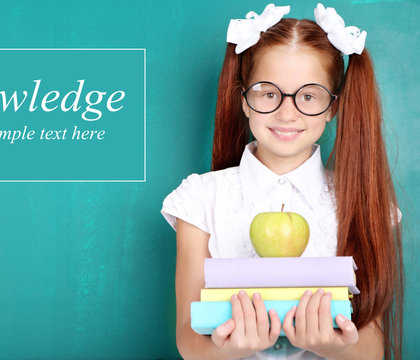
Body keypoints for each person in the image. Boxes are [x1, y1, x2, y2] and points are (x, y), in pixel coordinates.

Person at [160, 3, 403, 360]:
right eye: (268, 93)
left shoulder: (366, 203)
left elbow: (372, 348)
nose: (287, 113)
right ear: (244, 98)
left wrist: (330, 345)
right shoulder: (199, 199)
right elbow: (188, 339)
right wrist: (228, 349)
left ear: (333, 106)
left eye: (308, 96)